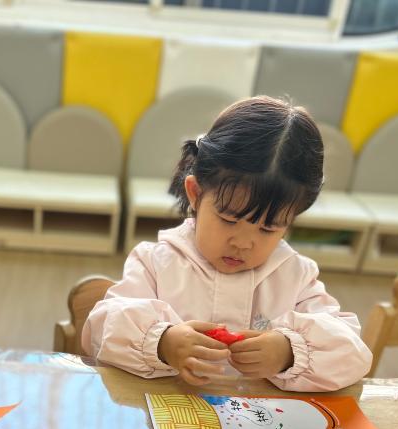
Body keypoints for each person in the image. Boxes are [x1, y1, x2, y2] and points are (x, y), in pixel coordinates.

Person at [82, 96, 372, 392]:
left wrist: (290, 352)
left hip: (258, 419)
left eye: (268, 228)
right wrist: (162, 343)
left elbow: (353, 353)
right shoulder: (156, 262)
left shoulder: (295, 277)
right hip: (169, 413)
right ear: (195, 193)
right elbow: (99, 330)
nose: (243, 243)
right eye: (229, 219)